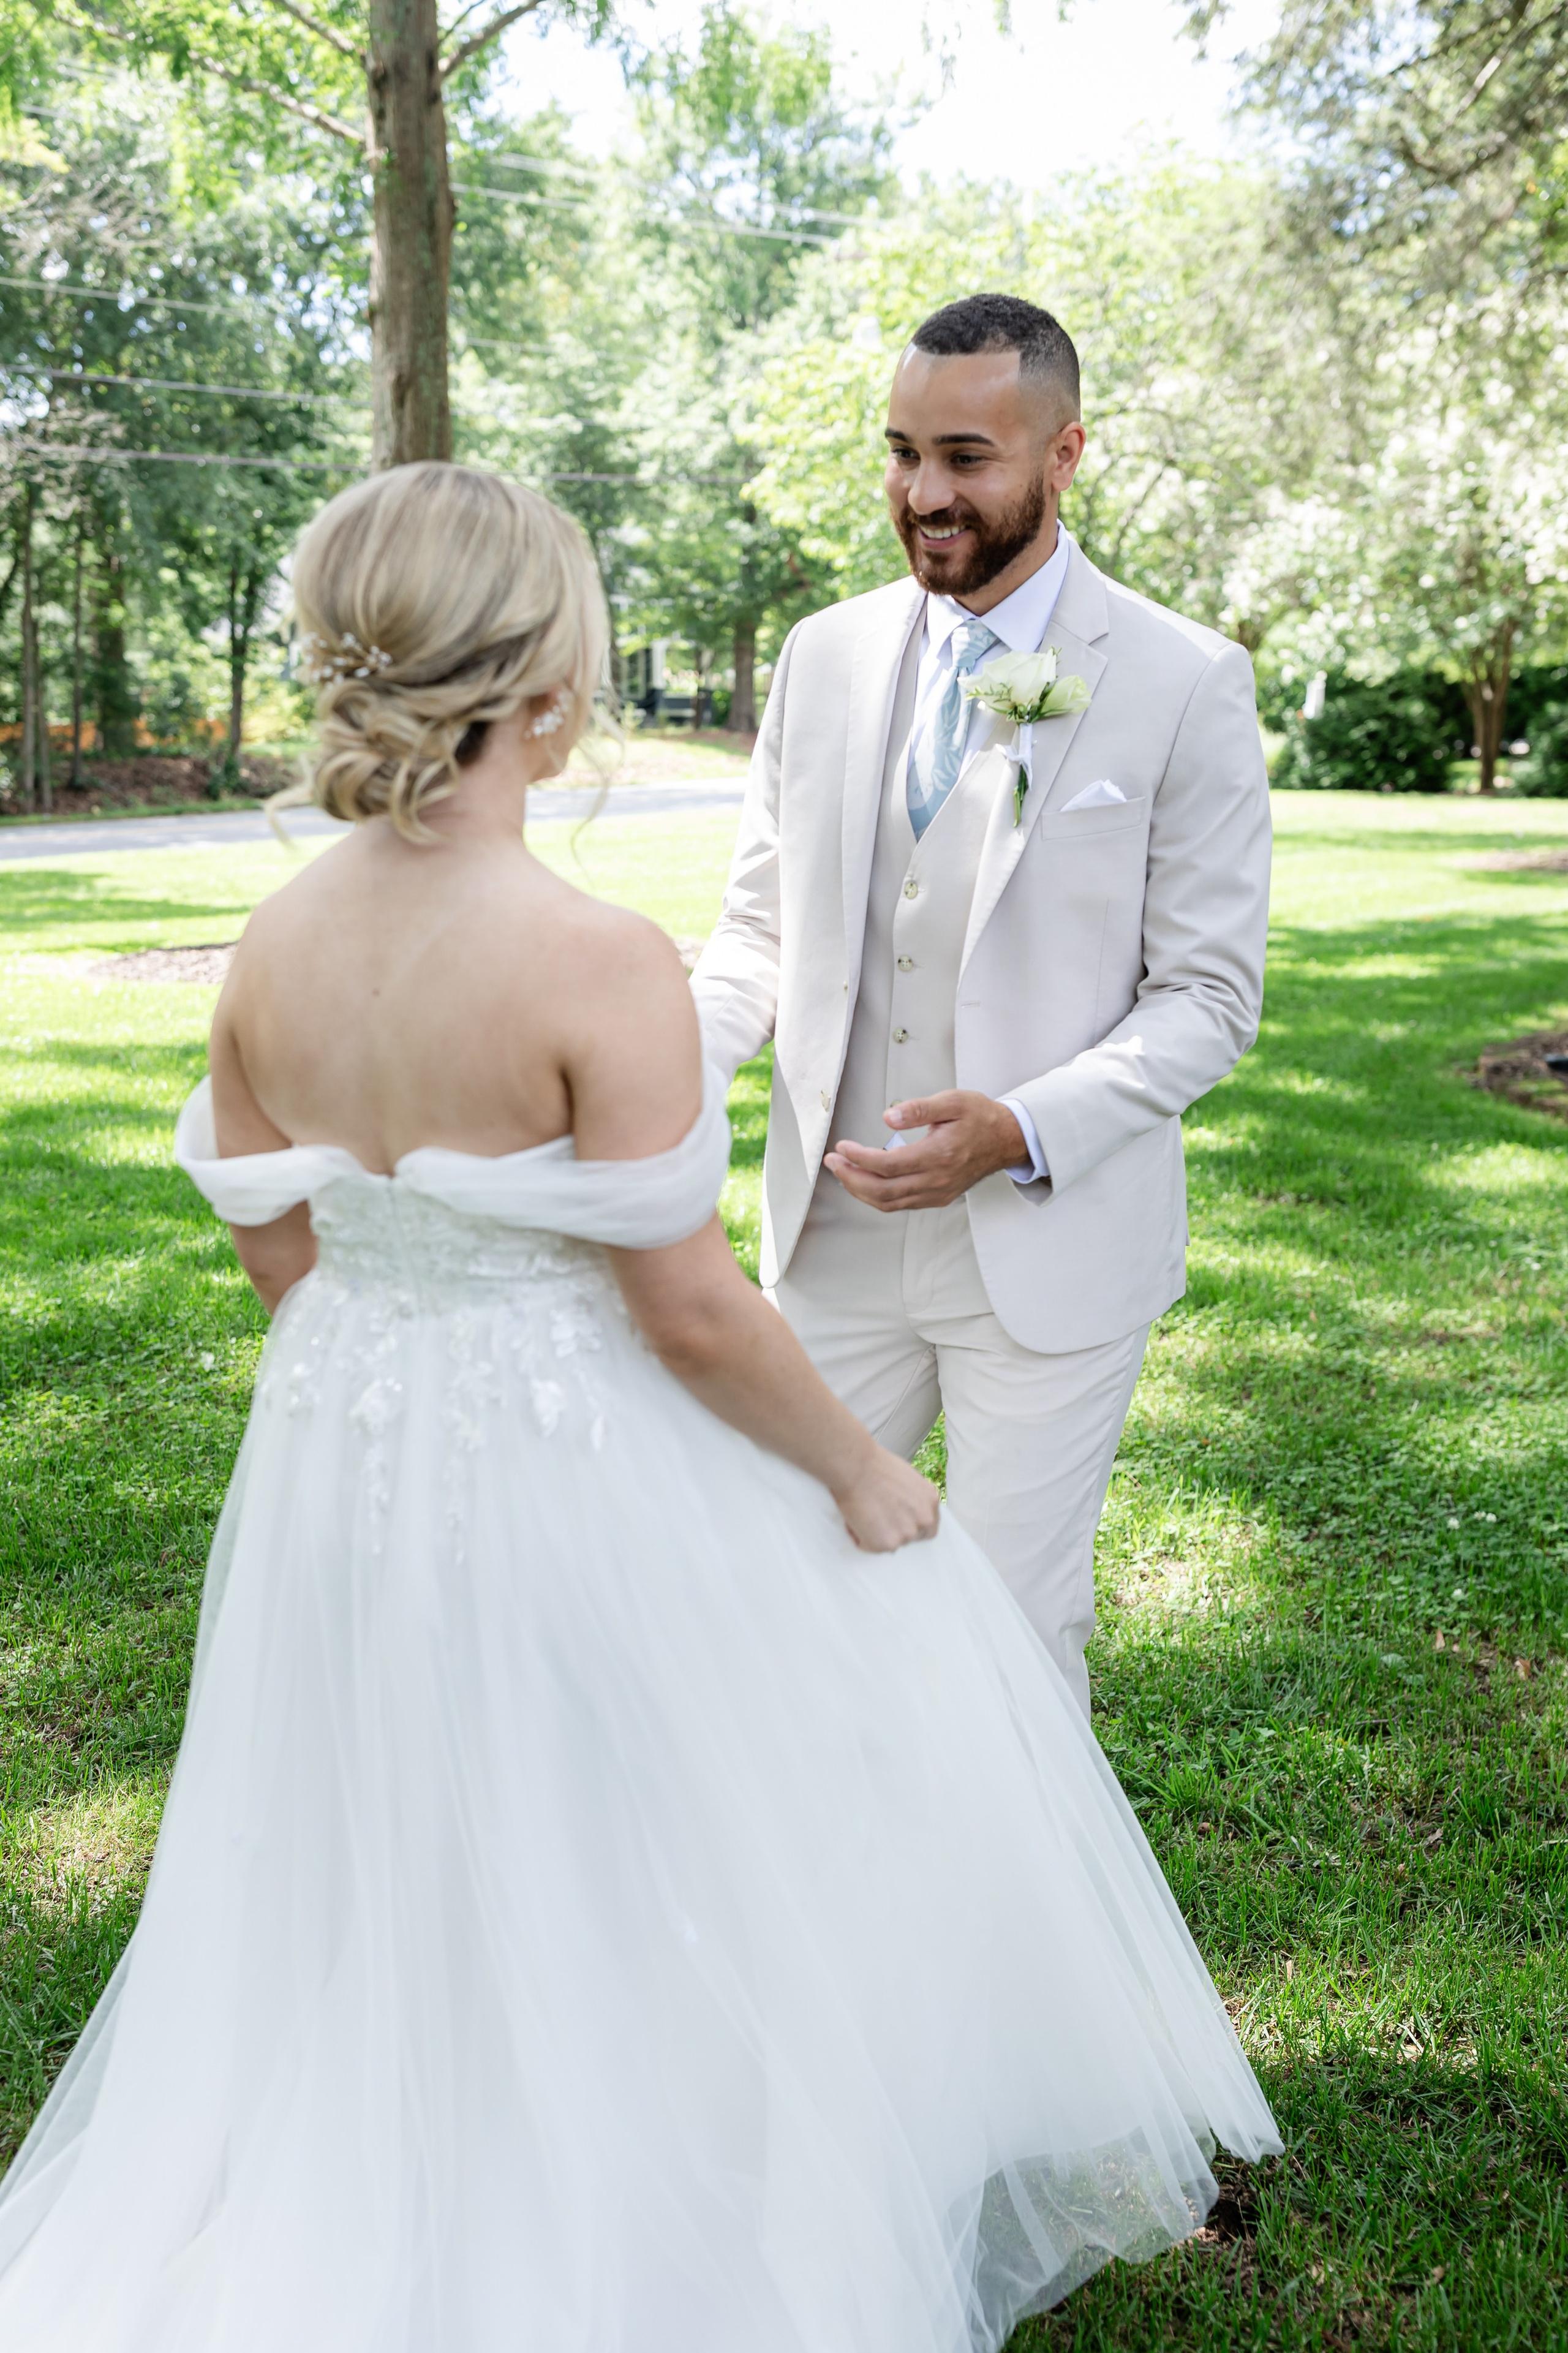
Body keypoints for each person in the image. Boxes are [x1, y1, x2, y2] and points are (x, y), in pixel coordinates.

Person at [0, 462, 1278, 2352]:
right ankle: (608, 2198)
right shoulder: (598, 958)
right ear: (546, 691)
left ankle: (390, 2151)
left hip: (341, 1467)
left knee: (387, 1827)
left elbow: (284, 1255)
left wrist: (396, 1370)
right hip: (557, 1473)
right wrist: (861, 1473)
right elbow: (685, 1305)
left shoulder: (272, 945)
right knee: (603, 1821)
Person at [691, 294, 1273, 1717]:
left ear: (1063, 453)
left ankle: (1012, 1941)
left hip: (1047, 1248)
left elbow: (1205, 997)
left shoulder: (1183, 680)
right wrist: (665, 1071)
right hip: (825, 1239)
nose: (924, 495)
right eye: (900, 454)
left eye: (965, 456)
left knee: (1012, 1640)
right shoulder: (817, 656)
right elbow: (756, 934)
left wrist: (1016, 1124)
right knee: (775, 1597)